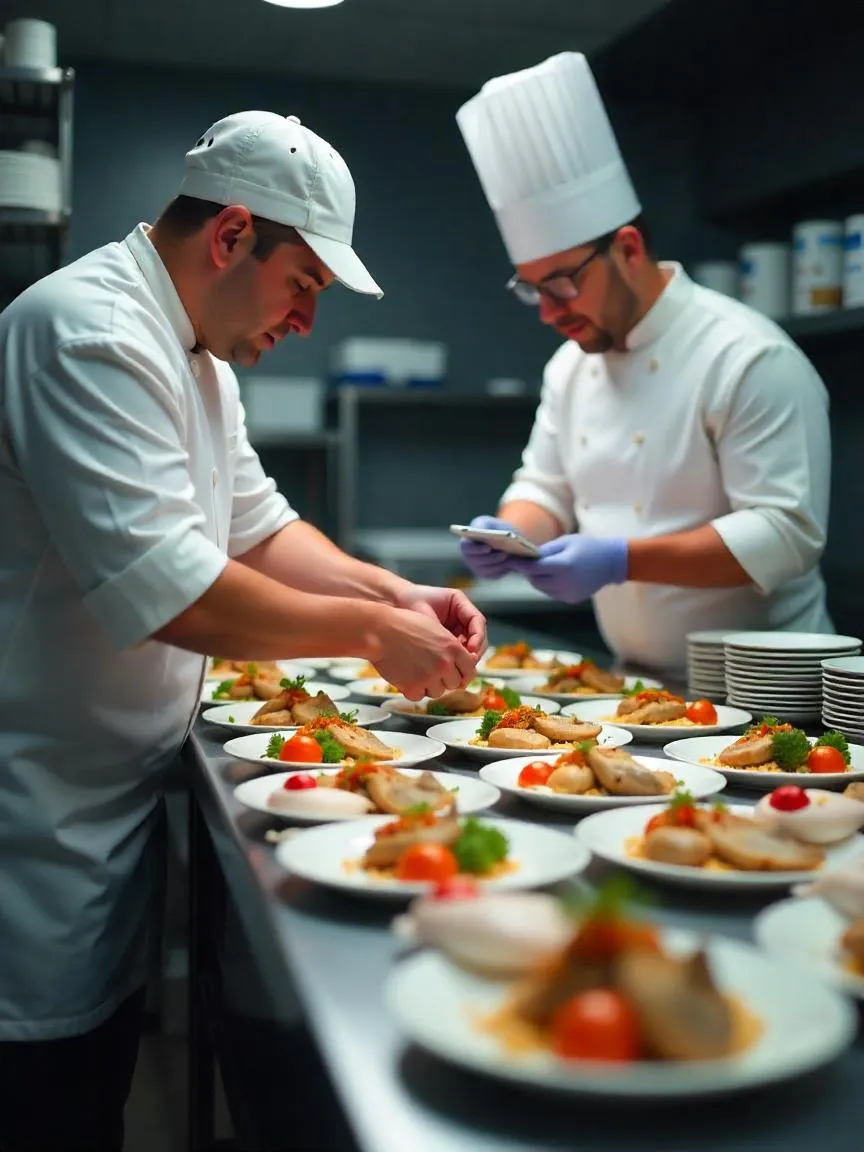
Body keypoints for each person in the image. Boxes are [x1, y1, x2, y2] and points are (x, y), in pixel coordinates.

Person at [0, 110, 484, 1151]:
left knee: (93, 1091)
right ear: (230, 238)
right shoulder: (85, 329)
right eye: (303, 284)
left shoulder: (201, 361)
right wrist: (366, 635)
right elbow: (173, 592)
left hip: (104, 812)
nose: (307, 321)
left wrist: (393, 595)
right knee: (44, 1107)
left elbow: (259, 532)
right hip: (29, 826)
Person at [455, 52, 833, 677]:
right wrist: (509, 533)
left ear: (627, 249)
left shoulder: (747, 357)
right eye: (531, 290)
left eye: (561, 285)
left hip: (767, 690)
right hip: (632, 678)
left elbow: (786, 535)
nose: (548, 313)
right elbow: (545, 487)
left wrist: (623, 560)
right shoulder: (570, 367)